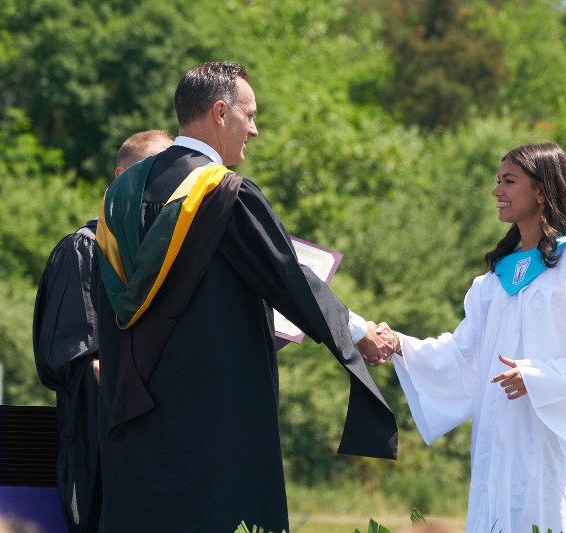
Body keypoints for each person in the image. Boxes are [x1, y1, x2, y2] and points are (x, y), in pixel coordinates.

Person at [92, 61, 397, 533]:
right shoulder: (221, 194)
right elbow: (289, 277)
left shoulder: (119, 198)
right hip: (213, 414)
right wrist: (358, 333)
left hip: (134, 408)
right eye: (249, 115)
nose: (253, 130)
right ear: (219, 112)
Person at [367, 143, 566, 533]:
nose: (497, 192)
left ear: (542, 191)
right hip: (497, 440)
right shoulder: (493, 282)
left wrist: (537, 377)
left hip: (547, 441)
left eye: (509, 182)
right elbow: (462, 357)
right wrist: (400, 344)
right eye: (497, 181)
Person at [32, 130, 173, 532]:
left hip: (168, 450)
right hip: (106, 453)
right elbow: (78, 362)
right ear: (120, 177)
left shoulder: (163, 256)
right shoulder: (84, 249)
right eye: (150, 173)